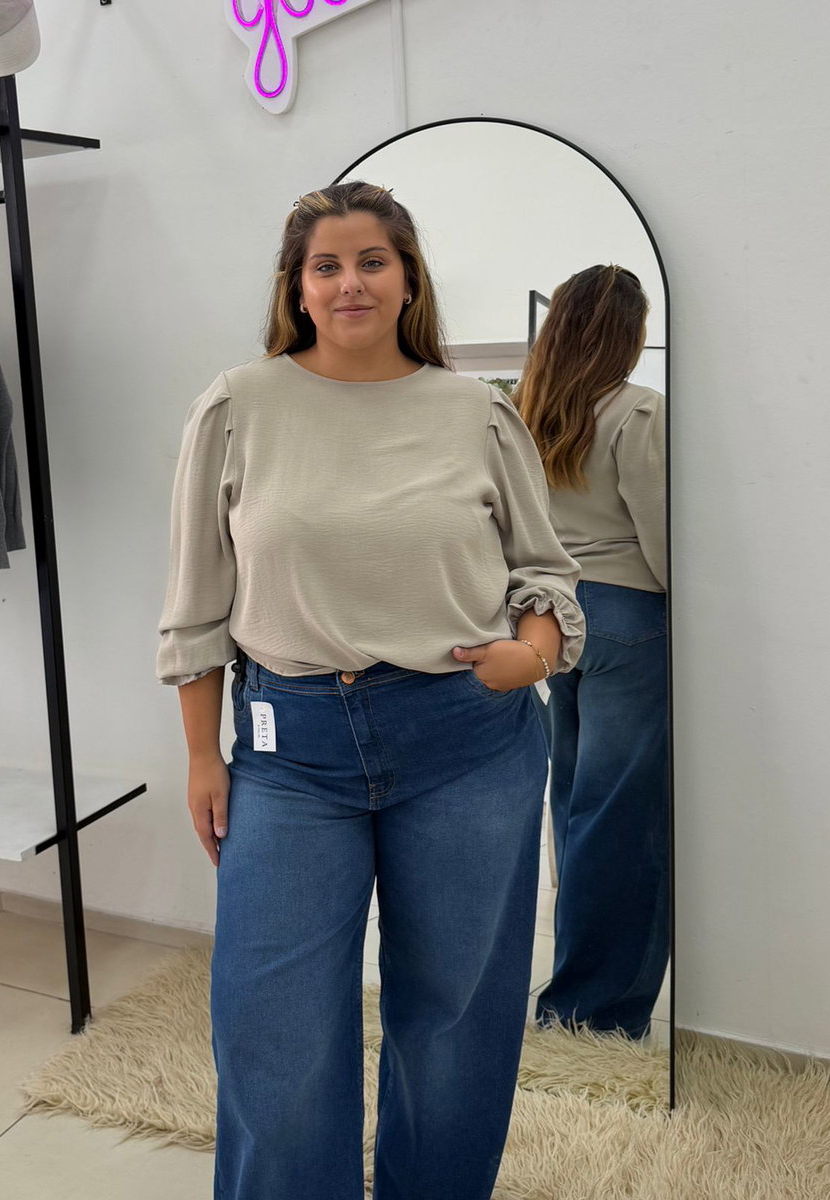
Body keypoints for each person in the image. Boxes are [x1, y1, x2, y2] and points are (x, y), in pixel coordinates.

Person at [157, 181, 584, 1200]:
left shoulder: (476, 412)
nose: (350, 282)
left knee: (455, 1019)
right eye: (327, 265)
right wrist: (202, 754)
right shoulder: (239, 406)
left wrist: (533, 654)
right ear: (298, 288)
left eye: (372, 261)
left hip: (468, 738)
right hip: (290, 749)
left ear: (408, 280)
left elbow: (546, 574)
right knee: (274, 1032)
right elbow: (196, 601)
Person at [516, 264, 668, 1041]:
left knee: (575, 805)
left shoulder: (529, 413)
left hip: (558, 621)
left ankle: (571, 993)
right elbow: (665, 536)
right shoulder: (639, 411)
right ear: (628, 335)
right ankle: (595, 1011)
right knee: (623, 819)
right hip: (629, 619)